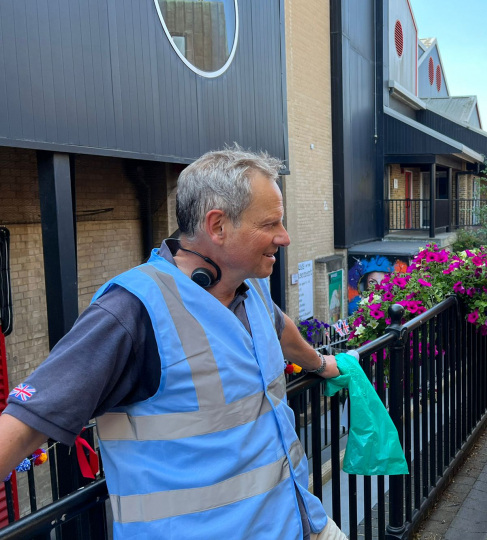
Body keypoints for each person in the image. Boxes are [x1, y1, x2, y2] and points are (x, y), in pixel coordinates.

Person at [0, 147, 346, 539]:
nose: (284, 238)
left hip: (300, 519)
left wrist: (321, 364)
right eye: (271, 224)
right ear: (217, 226)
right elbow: (27, 422)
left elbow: (278, 326)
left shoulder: (250, 286)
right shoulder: (130, 311)